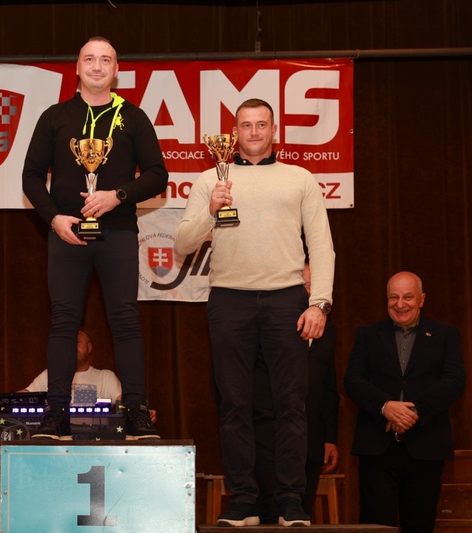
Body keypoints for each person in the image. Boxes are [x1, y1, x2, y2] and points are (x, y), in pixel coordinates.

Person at [174, 98, 334, 527]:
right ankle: (243, 499)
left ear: (274, 130)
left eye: (262, 124)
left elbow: (322, 245)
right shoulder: (211, 179)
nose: (255, 132)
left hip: (287, 299)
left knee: (292, 404)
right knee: (234, 404)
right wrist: (210, 211)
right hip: (229, 300)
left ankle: (291, 501)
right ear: (235, 133)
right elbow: (182, 243)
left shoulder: (300, 178)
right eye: (246, 125)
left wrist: (319, 302)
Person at [22, 36, 168, 441]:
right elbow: (31, 176)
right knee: (63, 322)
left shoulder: (133, 117)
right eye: (90, 59)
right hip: (67, 235)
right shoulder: (55, 117)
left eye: (106, 60)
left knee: (125, 321)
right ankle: (55, 413)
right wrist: (54, 219)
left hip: (117, 232)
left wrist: (117, 195)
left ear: (116, 70)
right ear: (77, 68)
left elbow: (157, 174)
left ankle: (136, 411)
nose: (98, 66)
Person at [344, 271, 465, 533]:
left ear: (422, 299)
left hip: (426, 445)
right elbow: (353, 380)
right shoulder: (368, 335)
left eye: (408, 297)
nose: (400, 304)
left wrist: (414, 412)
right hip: (378, 446)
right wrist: (386, 407)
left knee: (420, 524)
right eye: (394, 297)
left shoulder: (445, 335)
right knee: (375, 526)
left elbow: (454, 381)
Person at [253, 263, 339, 523]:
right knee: (270, 516)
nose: (308, 291)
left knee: (302, 517)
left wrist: (330, 438)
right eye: (302, 285)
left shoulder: (327, 330)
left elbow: (329, 388)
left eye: (313, 286)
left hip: (311, 444)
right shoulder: (266, 328)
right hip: (270, 444)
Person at [20, 328, 122, 404]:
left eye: (77, 342)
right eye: (69, 343)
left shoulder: (106, 377)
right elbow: (22, 397)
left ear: (89, 347)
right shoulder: (50, 375)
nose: (72, 346)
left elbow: (123, 401)